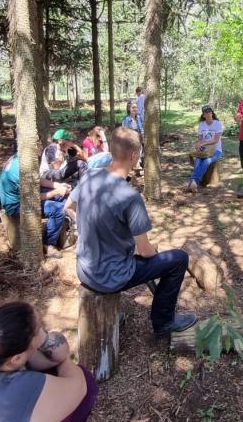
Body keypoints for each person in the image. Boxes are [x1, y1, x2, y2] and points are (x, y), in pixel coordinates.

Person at [65, 127, 196, 337]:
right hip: (109, 277)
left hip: (85, 269)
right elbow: (145, 252)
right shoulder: (130, 197)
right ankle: (163, 323)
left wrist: (90, 227)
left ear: (112, 152)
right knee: (179, 259)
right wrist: (152, 250)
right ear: (134, 156)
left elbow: (69, 208)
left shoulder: (90, 175)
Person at [0, 301, 97, 422]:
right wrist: (65, 362)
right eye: (38, 331)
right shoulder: (21, 385)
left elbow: (42, 361)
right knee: (87, 383)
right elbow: (80, 385)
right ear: (16, 358)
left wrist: (40, 340)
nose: (42, 333)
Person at [0, 152, 71, 258]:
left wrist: (57, 185)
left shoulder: (22, 156)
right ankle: (48, 244)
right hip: (16, 205)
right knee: (58, 209)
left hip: (25, 196)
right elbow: (32, 198)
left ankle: (63, 228)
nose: (40, 148)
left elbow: (36, 180)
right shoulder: (21, 168)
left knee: (63, 196)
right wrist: (55, 192)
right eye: (37, 144)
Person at [185, 105, 224, 193]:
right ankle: (194, 183)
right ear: (203, 115)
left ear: (212, 113)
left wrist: (204, 143)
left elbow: (216, 140)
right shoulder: (201, 124)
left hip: (216, 150)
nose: (208, 114)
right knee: (198, 161)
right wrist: (198, 145)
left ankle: (192, 182)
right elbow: (200, 140)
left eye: (210, 112)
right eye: (206, 113)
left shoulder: (217, 124)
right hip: (204, 150)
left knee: (206, 161)